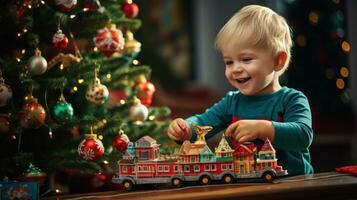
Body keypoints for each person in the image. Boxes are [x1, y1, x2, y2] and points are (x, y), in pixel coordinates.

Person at [167, 5, 313, 175]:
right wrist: (185, 127)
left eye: (246, 59)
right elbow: (202, 122)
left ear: (278, 60)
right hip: (246, 182)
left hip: (293, 186)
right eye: (229, 62)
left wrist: (262, 128)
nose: (235, 69)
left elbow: (302, 136)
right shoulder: (232, 102)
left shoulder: (292, 99)